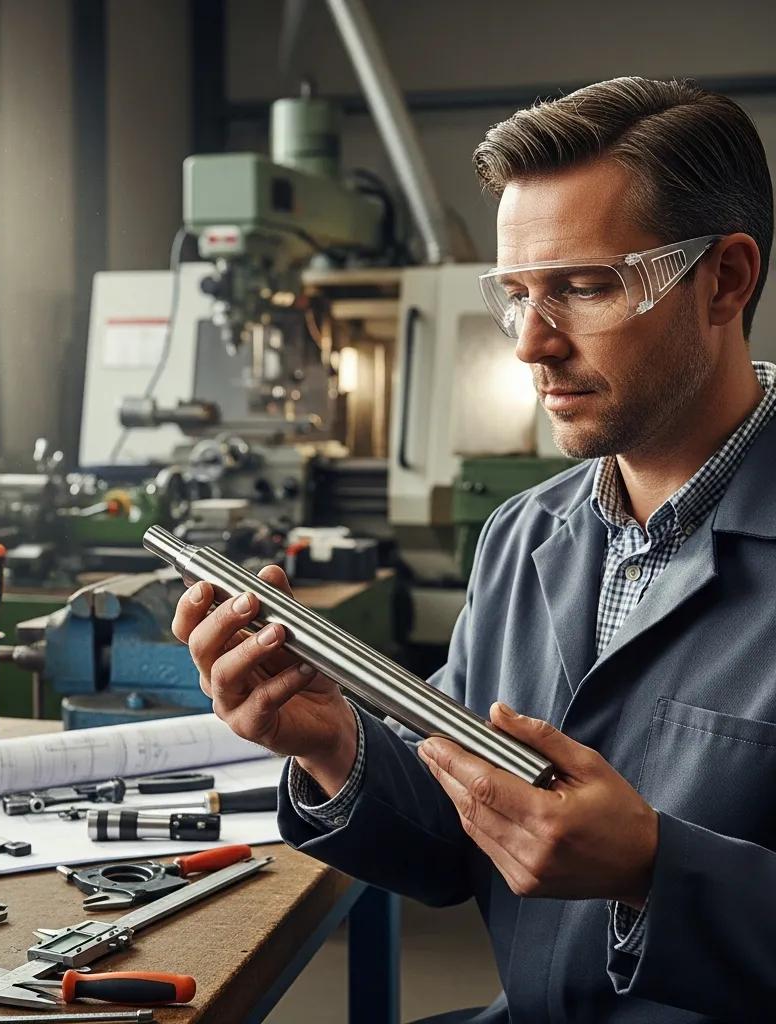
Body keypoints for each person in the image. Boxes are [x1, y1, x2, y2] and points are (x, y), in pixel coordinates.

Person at [171, 77, 776, 1022]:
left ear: (726, 280)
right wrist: (335, 746)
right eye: (518, 295)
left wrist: (657, 872)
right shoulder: (526, 535)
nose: (532, 343)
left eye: (582, 288)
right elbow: (461, 846)